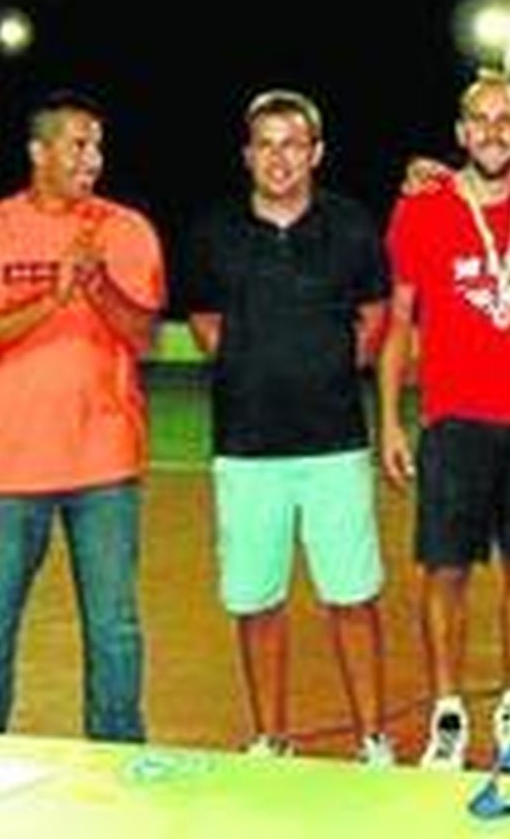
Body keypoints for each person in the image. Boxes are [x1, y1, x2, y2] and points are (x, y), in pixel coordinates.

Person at [186, 89, 392, 764]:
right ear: (248, 155)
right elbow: (207, 327)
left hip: (334, 445)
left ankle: (373, 739)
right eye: (266, 144)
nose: (279, 158)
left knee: (353, 598)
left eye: (293, 143)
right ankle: (271, 738)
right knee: (255, 601)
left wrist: (318, 369)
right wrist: (260, 368)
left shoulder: (353, 226)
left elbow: (373, 321)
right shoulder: (215, 231)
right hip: (246, 451)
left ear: (316, 153)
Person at [378, 72, 510, 769]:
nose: (492, 130)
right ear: (459, 132)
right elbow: (399, 321)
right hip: (453, 419)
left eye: (507, 118)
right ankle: (448, 711)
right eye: (478, 120)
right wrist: (392, 422)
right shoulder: (420, 209)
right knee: (444, 572)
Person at [0, 91, 164, 742]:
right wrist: (53, 295)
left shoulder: (124, 229)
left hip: (104, 464)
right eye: (78, 144)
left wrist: (95, 286)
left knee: (115, 629)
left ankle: (117, 762)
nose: (92, 158)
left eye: (98, 145)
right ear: (39, 151)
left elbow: (143, 338)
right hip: (9, 468)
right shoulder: (2, 226)